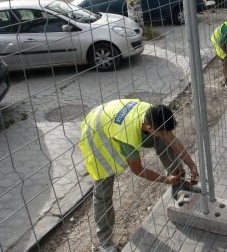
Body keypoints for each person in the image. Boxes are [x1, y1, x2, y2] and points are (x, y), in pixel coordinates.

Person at [80, 100, 199, 252]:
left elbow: (173, 141)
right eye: (162, 131)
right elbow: (137, 170)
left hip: (113, 117)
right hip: (97, 132)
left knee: (163, 140)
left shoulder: (154, 114)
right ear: (149, 127)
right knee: (104, 187)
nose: (166, 134)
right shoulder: (127, 137)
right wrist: (165, 180)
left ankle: (179, 187)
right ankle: (105, 242)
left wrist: (192, 165)